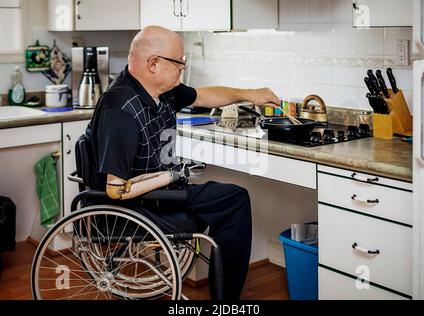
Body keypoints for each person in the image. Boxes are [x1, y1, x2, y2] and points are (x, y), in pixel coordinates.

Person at [87, 25, 280, 300]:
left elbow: (203, 96)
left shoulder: (159, 90)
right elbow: (115, 190)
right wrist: (174, 175)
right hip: (135, 206)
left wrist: (250, 94)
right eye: (179, 62)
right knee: (234, 201)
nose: (183, 68)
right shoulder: (120, 109)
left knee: (232, 198)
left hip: (158, 194)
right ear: (153, 63)